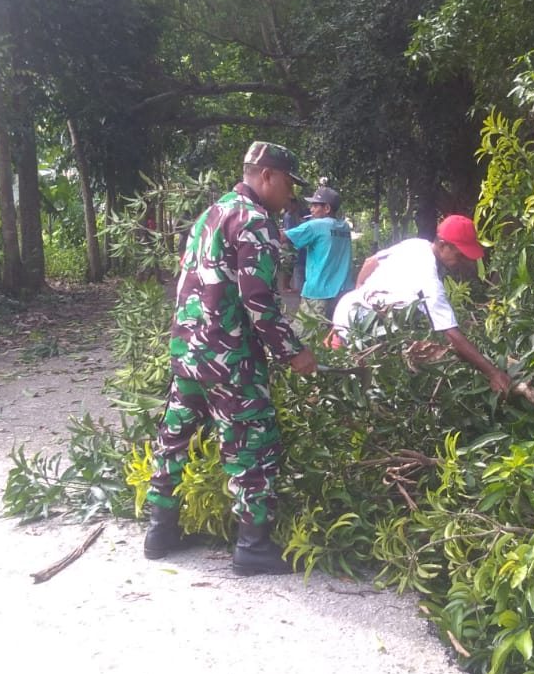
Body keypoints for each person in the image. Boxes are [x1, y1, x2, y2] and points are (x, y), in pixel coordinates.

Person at [144, 141, 318, 575]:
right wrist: (292, 353)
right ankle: (252, 545)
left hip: (188, 351)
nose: (291, 196)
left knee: (175, 438)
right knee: (253, 443)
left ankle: (159, 531)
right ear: (267, 176)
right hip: (229, 358)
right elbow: (258, 300)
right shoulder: (254, 221)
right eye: (289, 185)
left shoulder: (211, 213)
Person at [331, 214, 511, 396]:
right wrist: (493, 373)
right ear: (442, 245)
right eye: (460, 255)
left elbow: (370, 262)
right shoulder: (429, 281)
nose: (462, 261)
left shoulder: (417, 245)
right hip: (359, 327)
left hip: (347, 308)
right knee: (371, 391)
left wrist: (360, 294)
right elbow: (451, 334)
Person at [282, 185, 353, 322]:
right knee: (333, 336)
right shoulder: (344, 227)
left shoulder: (315, 226)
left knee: (304, 338)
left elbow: (284, 237)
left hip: (318, 294)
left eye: (315, 206)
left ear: (327, 208)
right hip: (342, 293)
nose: (311, 209)